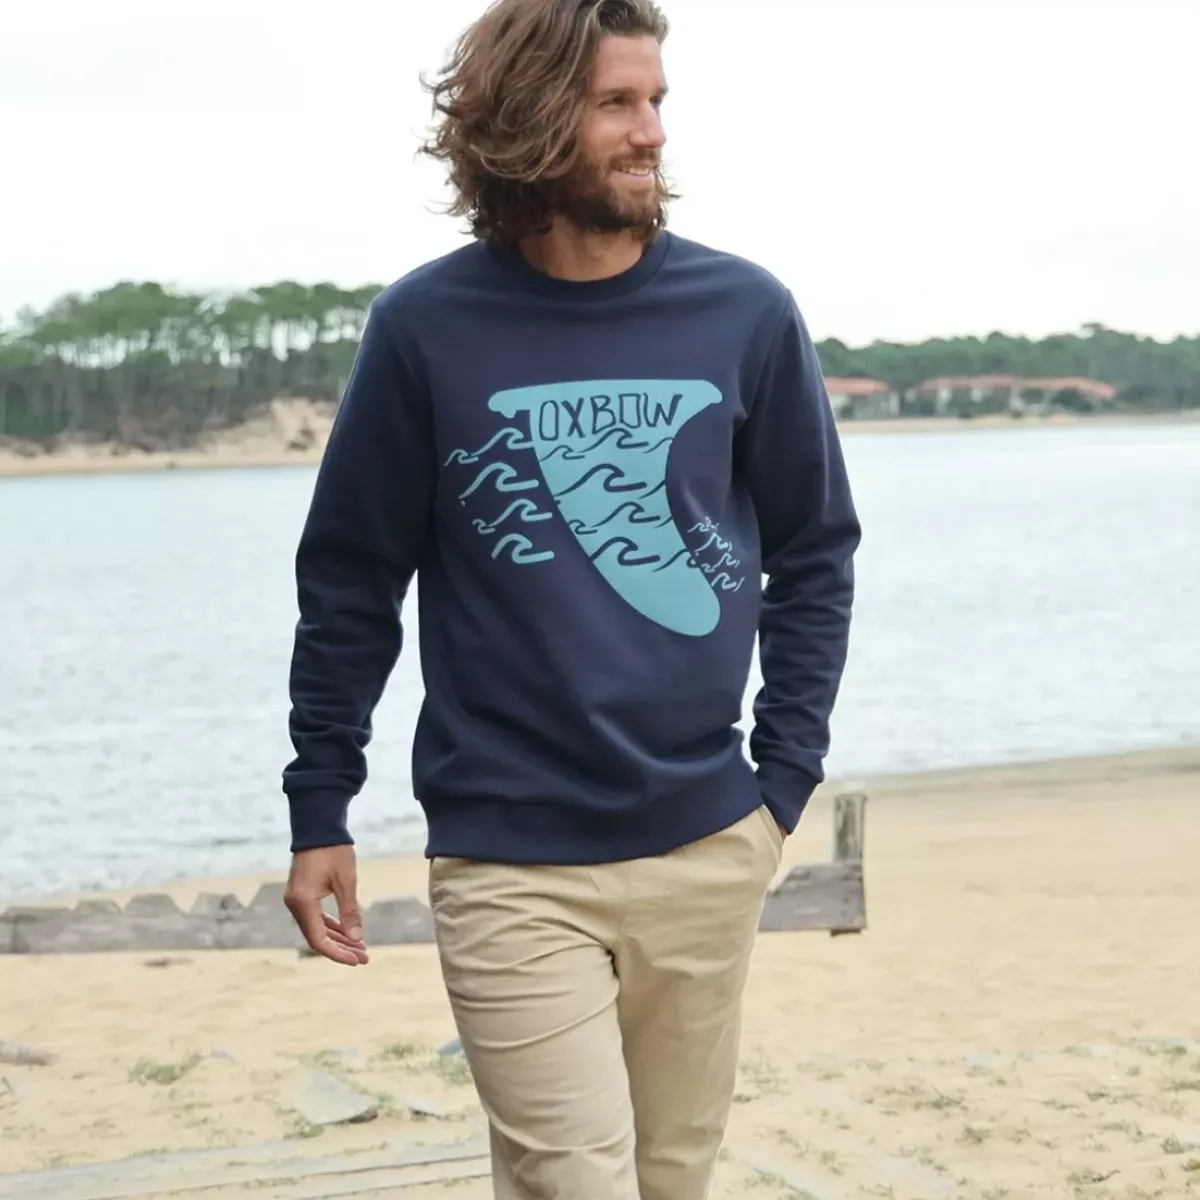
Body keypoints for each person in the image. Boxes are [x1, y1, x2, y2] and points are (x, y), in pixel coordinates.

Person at [281, 0, 861, 1195]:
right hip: (509, 857)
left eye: (657, 102)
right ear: (532, 119)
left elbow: (815, 552)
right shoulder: (425, 328)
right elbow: (350, 578)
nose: (652, 132)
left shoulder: (745, 313)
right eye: (617, 104)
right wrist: (320, 805)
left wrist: (783, 780)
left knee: (672, 1172)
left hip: (709, 838)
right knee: (573, 1176)